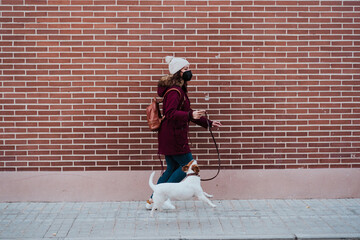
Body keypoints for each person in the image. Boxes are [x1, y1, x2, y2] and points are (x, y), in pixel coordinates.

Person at [146, 56, 222, 209]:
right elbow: (171, 112)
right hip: (174, 136)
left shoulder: (177, 89)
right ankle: (161, 198)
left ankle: (153, 200)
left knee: (172, 169)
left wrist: (208, 122)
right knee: (186, 166)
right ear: (177, 73)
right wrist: (189, 115)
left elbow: (188, 112)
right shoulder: (175, 91)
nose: (189, 71)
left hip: (170, 135)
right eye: (185, 69)